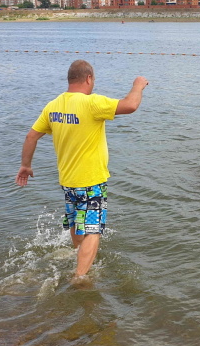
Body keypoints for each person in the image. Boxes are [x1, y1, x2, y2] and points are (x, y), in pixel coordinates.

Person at [15, 60, 148, 279]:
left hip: (68, 181)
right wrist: (138, 85)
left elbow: (31, 136)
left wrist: (26, 165)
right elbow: (131, 105)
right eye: (93, 80)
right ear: (88, 78)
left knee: (78, 223)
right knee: (93, 231)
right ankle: (80, 277)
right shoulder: (92, 103)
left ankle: (78, 255)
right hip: (91, 180)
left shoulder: (53, 105)